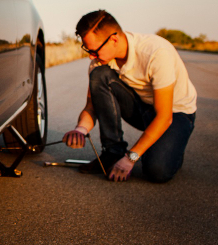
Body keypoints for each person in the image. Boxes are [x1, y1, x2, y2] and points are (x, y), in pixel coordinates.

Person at [62, 10, 197, 182]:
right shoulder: (99, 63)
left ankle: (174, 146)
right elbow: (91, 106)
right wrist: (80, 129)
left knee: (157, 171)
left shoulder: (156, 52)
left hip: (175, 113)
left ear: (114, 39)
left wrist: (130, 158)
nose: (90, 56)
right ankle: (113, 152)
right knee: (99, 74)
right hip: (142, 108)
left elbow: (164, 117)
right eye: (87, 50)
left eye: (94, 51)